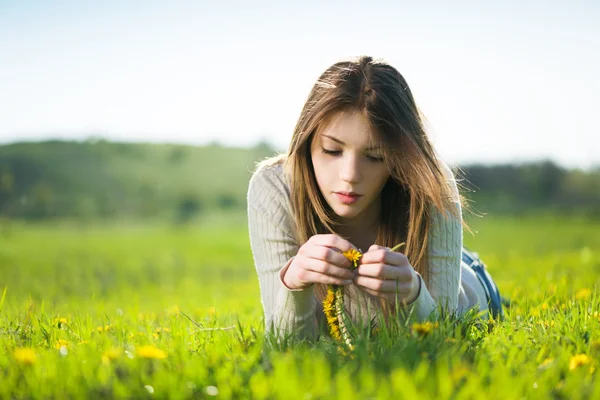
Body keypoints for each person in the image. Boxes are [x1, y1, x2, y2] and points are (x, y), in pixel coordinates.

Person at [247, 56, 503, 341]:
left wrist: (413, 295)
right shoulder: (275, 187)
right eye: (332, 151)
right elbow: (286, 347)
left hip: (469, 287)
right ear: (306, 144)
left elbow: (442, 336)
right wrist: (293, 284)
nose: (350, 175)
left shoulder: (431, 183)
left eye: (374, 157)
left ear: (397, 158)